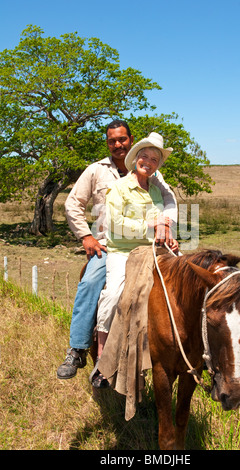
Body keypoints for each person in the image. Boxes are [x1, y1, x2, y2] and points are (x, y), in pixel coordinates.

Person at [57, 121, 177, 380]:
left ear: (131, 140)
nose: (118, 145)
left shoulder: (153, 172)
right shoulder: (96, 171)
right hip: (108, 244)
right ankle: (78, 348)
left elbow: (169, 201)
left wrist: (167, 228)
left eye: (122, 139)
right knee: (91, 283)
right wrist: (86, 236)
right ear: (108, 143)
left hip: (148, 244)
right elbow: (73, 203)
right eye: (112, 141)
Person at [91, 132, 179, 388]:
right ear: (135, 158)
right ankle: (102, 358)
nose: (148, 162)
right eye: (144, 156)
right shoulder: (118, 188)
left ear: (157, 166)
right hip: (123, 251)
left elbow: (161, 220)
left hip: (152, 248)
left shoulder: (155, 190)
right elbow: (115, 225)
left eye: (154, 159)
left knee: (187, 277)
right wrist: (149, 224)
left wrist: (167, 234)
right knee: (114, 292)